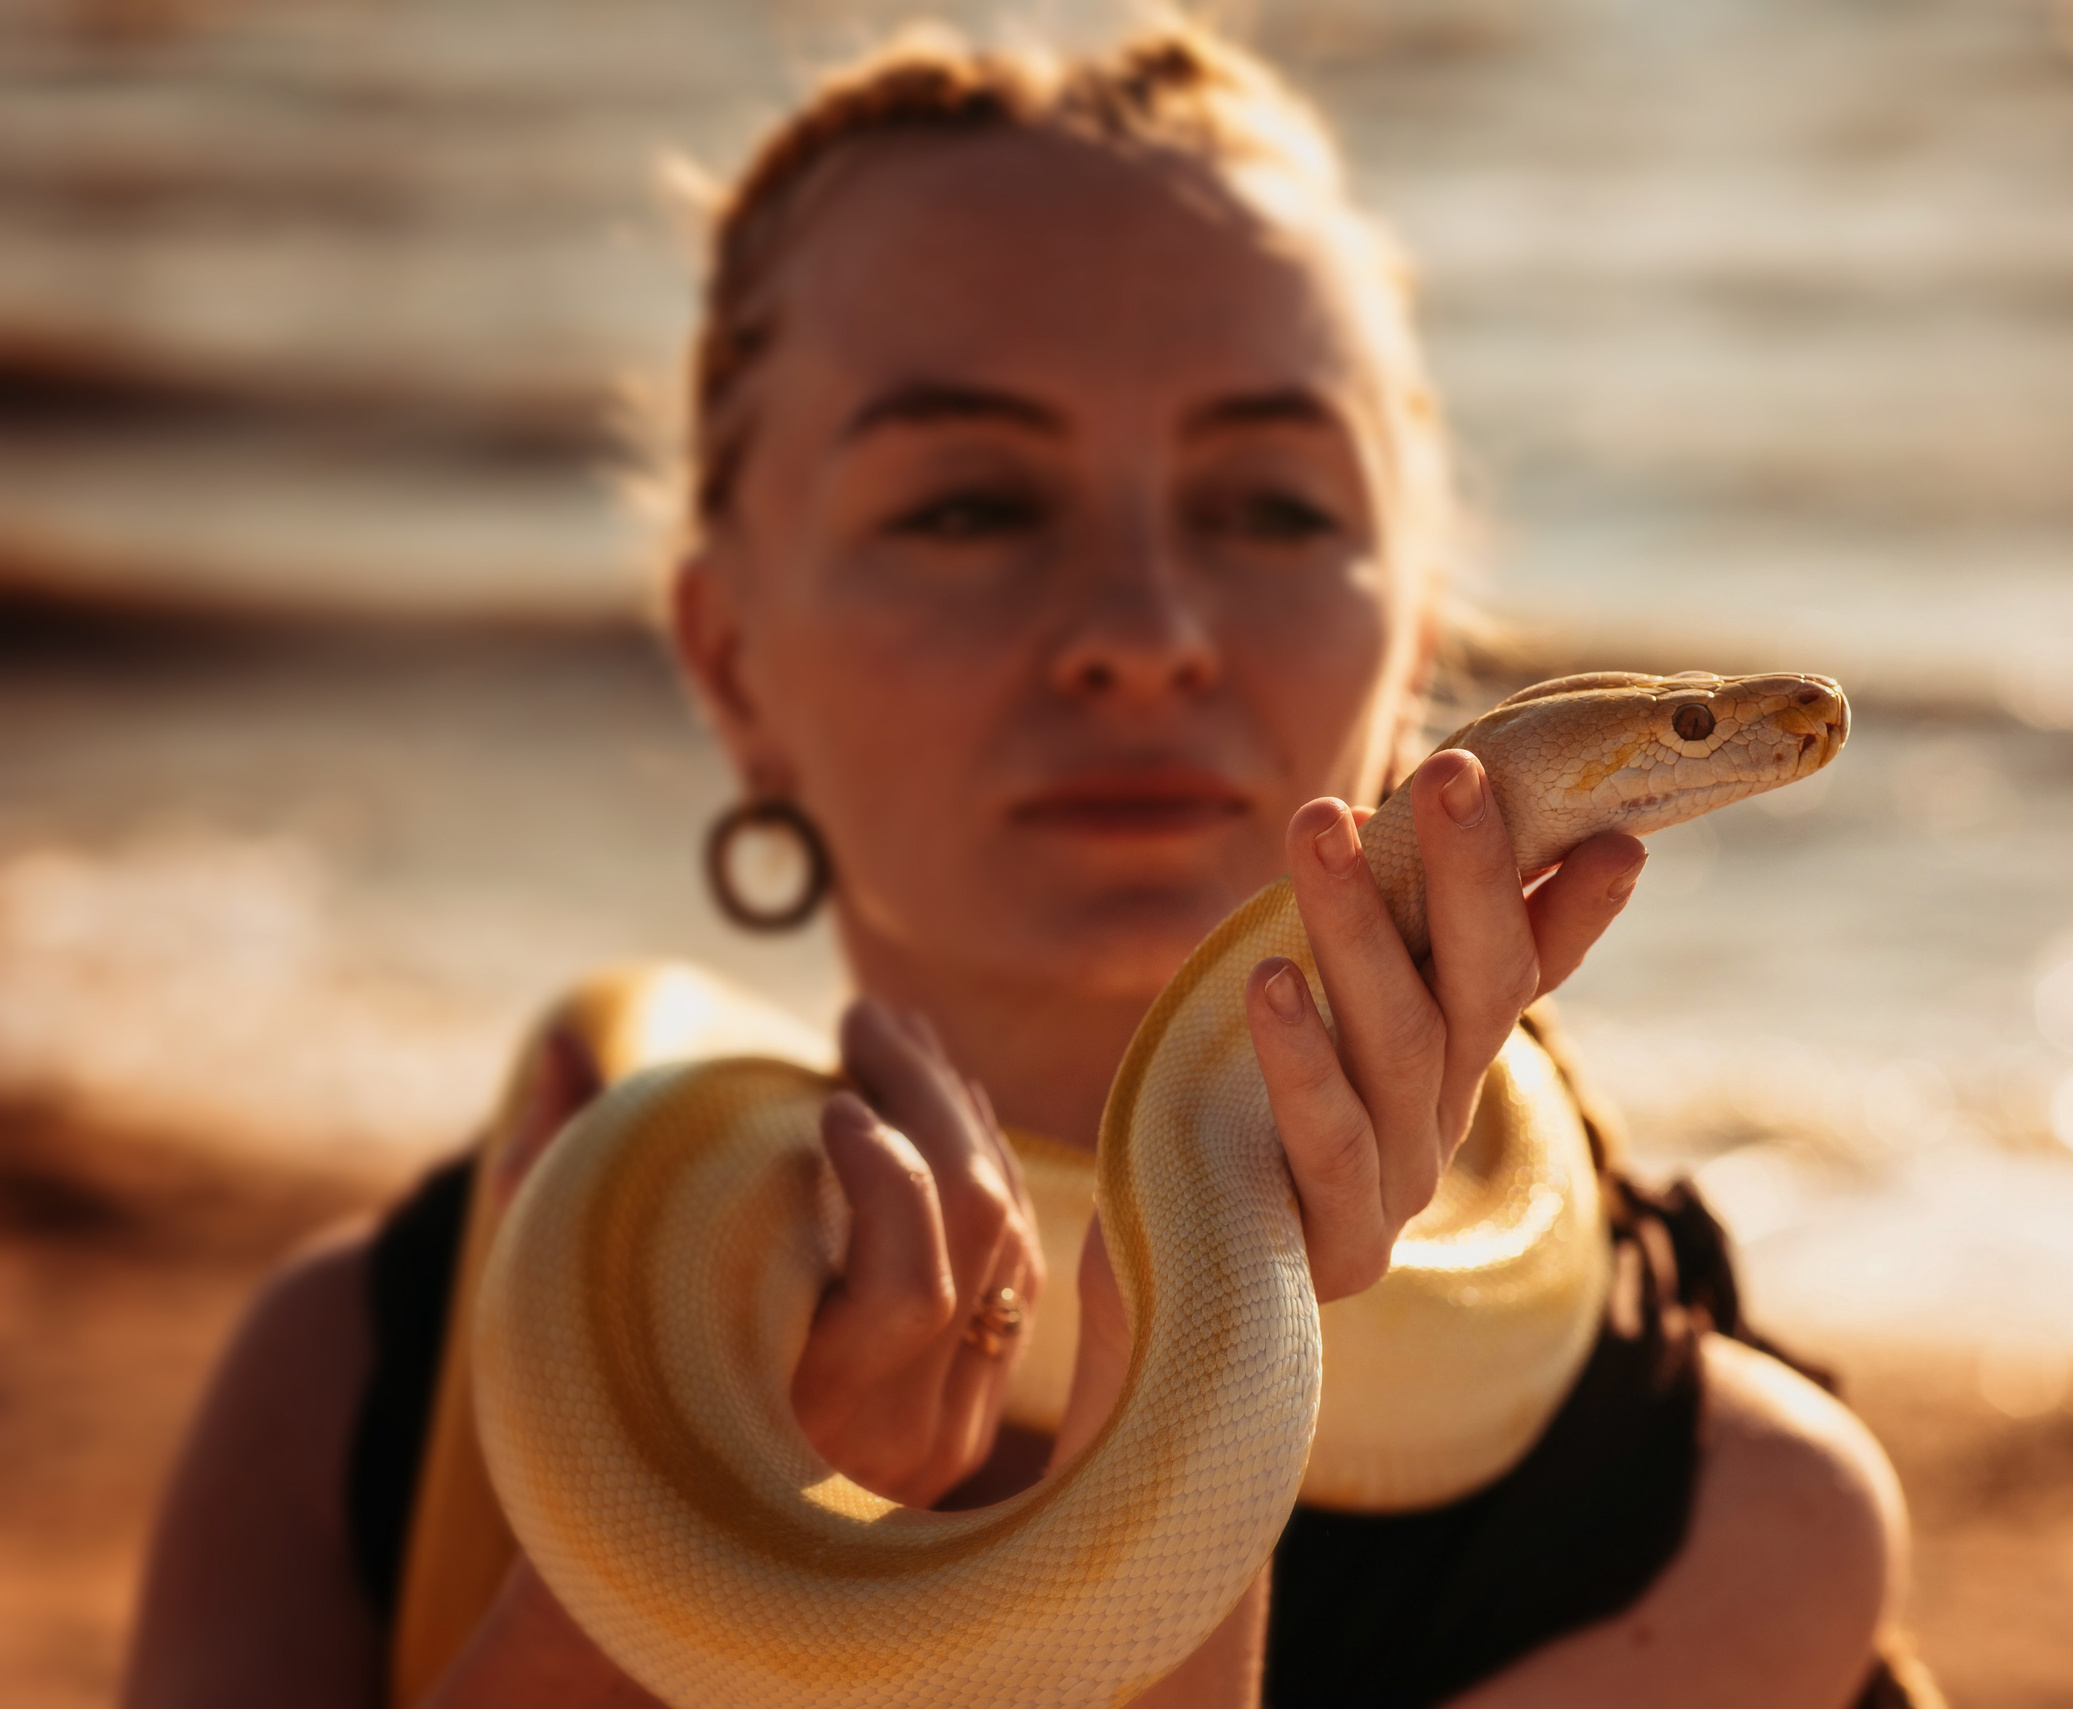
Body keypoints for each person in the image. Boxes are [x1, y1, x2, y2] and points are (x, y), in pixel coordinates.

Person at [124, 22, 1920, 1709]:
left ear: (1420, 633)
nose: (1142, 634)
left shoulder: (1728, 1524)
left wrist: (1193, 1332)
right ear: (729, 660)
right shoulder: (356, 1370)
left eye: (1272, 505)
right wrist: (677, 1542)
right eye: (967, 505)